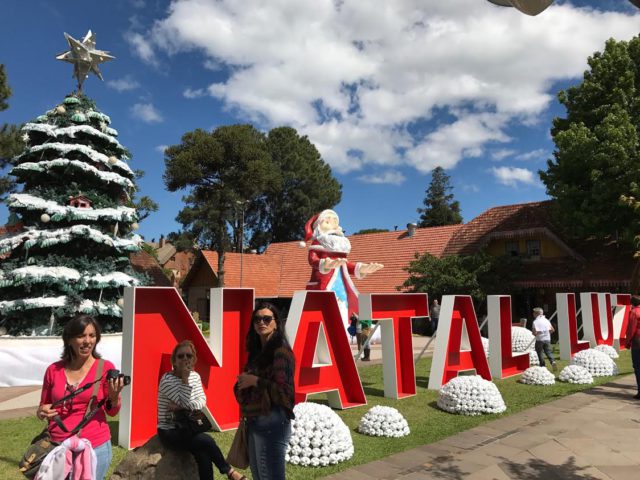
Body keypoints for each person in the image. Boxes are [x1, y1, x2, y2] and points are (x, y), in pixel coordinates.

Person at [37, 314, 125, 480]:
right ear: (69, 339)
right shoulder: (53, 370)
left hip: (94, 447)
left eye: (92, 336)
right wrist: (42, 411)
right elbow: (43, 406)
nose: (87, 341)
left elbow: (112, 412)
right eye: (81, 336)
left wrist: (114, 397)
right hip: (57, 447)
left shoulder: (105, 368)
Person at [157, 340, 245, 480]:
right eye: (181, 356)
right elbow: (187, 401)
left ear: (194, 359)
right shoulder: (167, 380)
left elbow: (202, 401)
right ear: (174, 361)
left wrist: (182, 406)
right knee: (206, 441)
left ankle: (228, 472)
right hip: (170, 430)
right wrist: (185, 382)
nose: (185, 359)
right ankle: (229, 471)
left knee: (203, 452)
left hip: (189, 427)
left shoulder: (195, 377)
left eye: (189, 356)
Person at [235, 303, 295, 480]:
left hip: (273, 422)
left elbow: (284, 393)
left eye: (267, 319)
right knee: (259, 475)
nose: (261, 322)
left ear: (276, 323)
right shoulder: (256, 353)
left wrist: (255, 381)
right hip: (255, 420)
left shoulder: (281, 352)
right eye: (257, 319)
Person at [302, 209, 383, 326]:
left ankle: (345, 331)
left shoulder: (339, 246)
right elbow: (312, 260)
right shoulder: (318, 243)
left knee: (344, 308)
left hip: (342, 286)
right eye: (327, 222)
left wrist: (361, 268)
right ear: (318, 227)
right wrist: (324, 264)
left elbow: (346, 265)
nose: (333, 224)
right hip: (323, 286)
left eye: (335, 222)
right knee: (327, 312)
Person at [624, 295, 640, 399]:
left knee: (638, 367)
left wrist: (627, 342)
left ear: (632, 303)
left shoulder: (634, 312)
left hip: (637, 342)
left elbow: (631, 329)